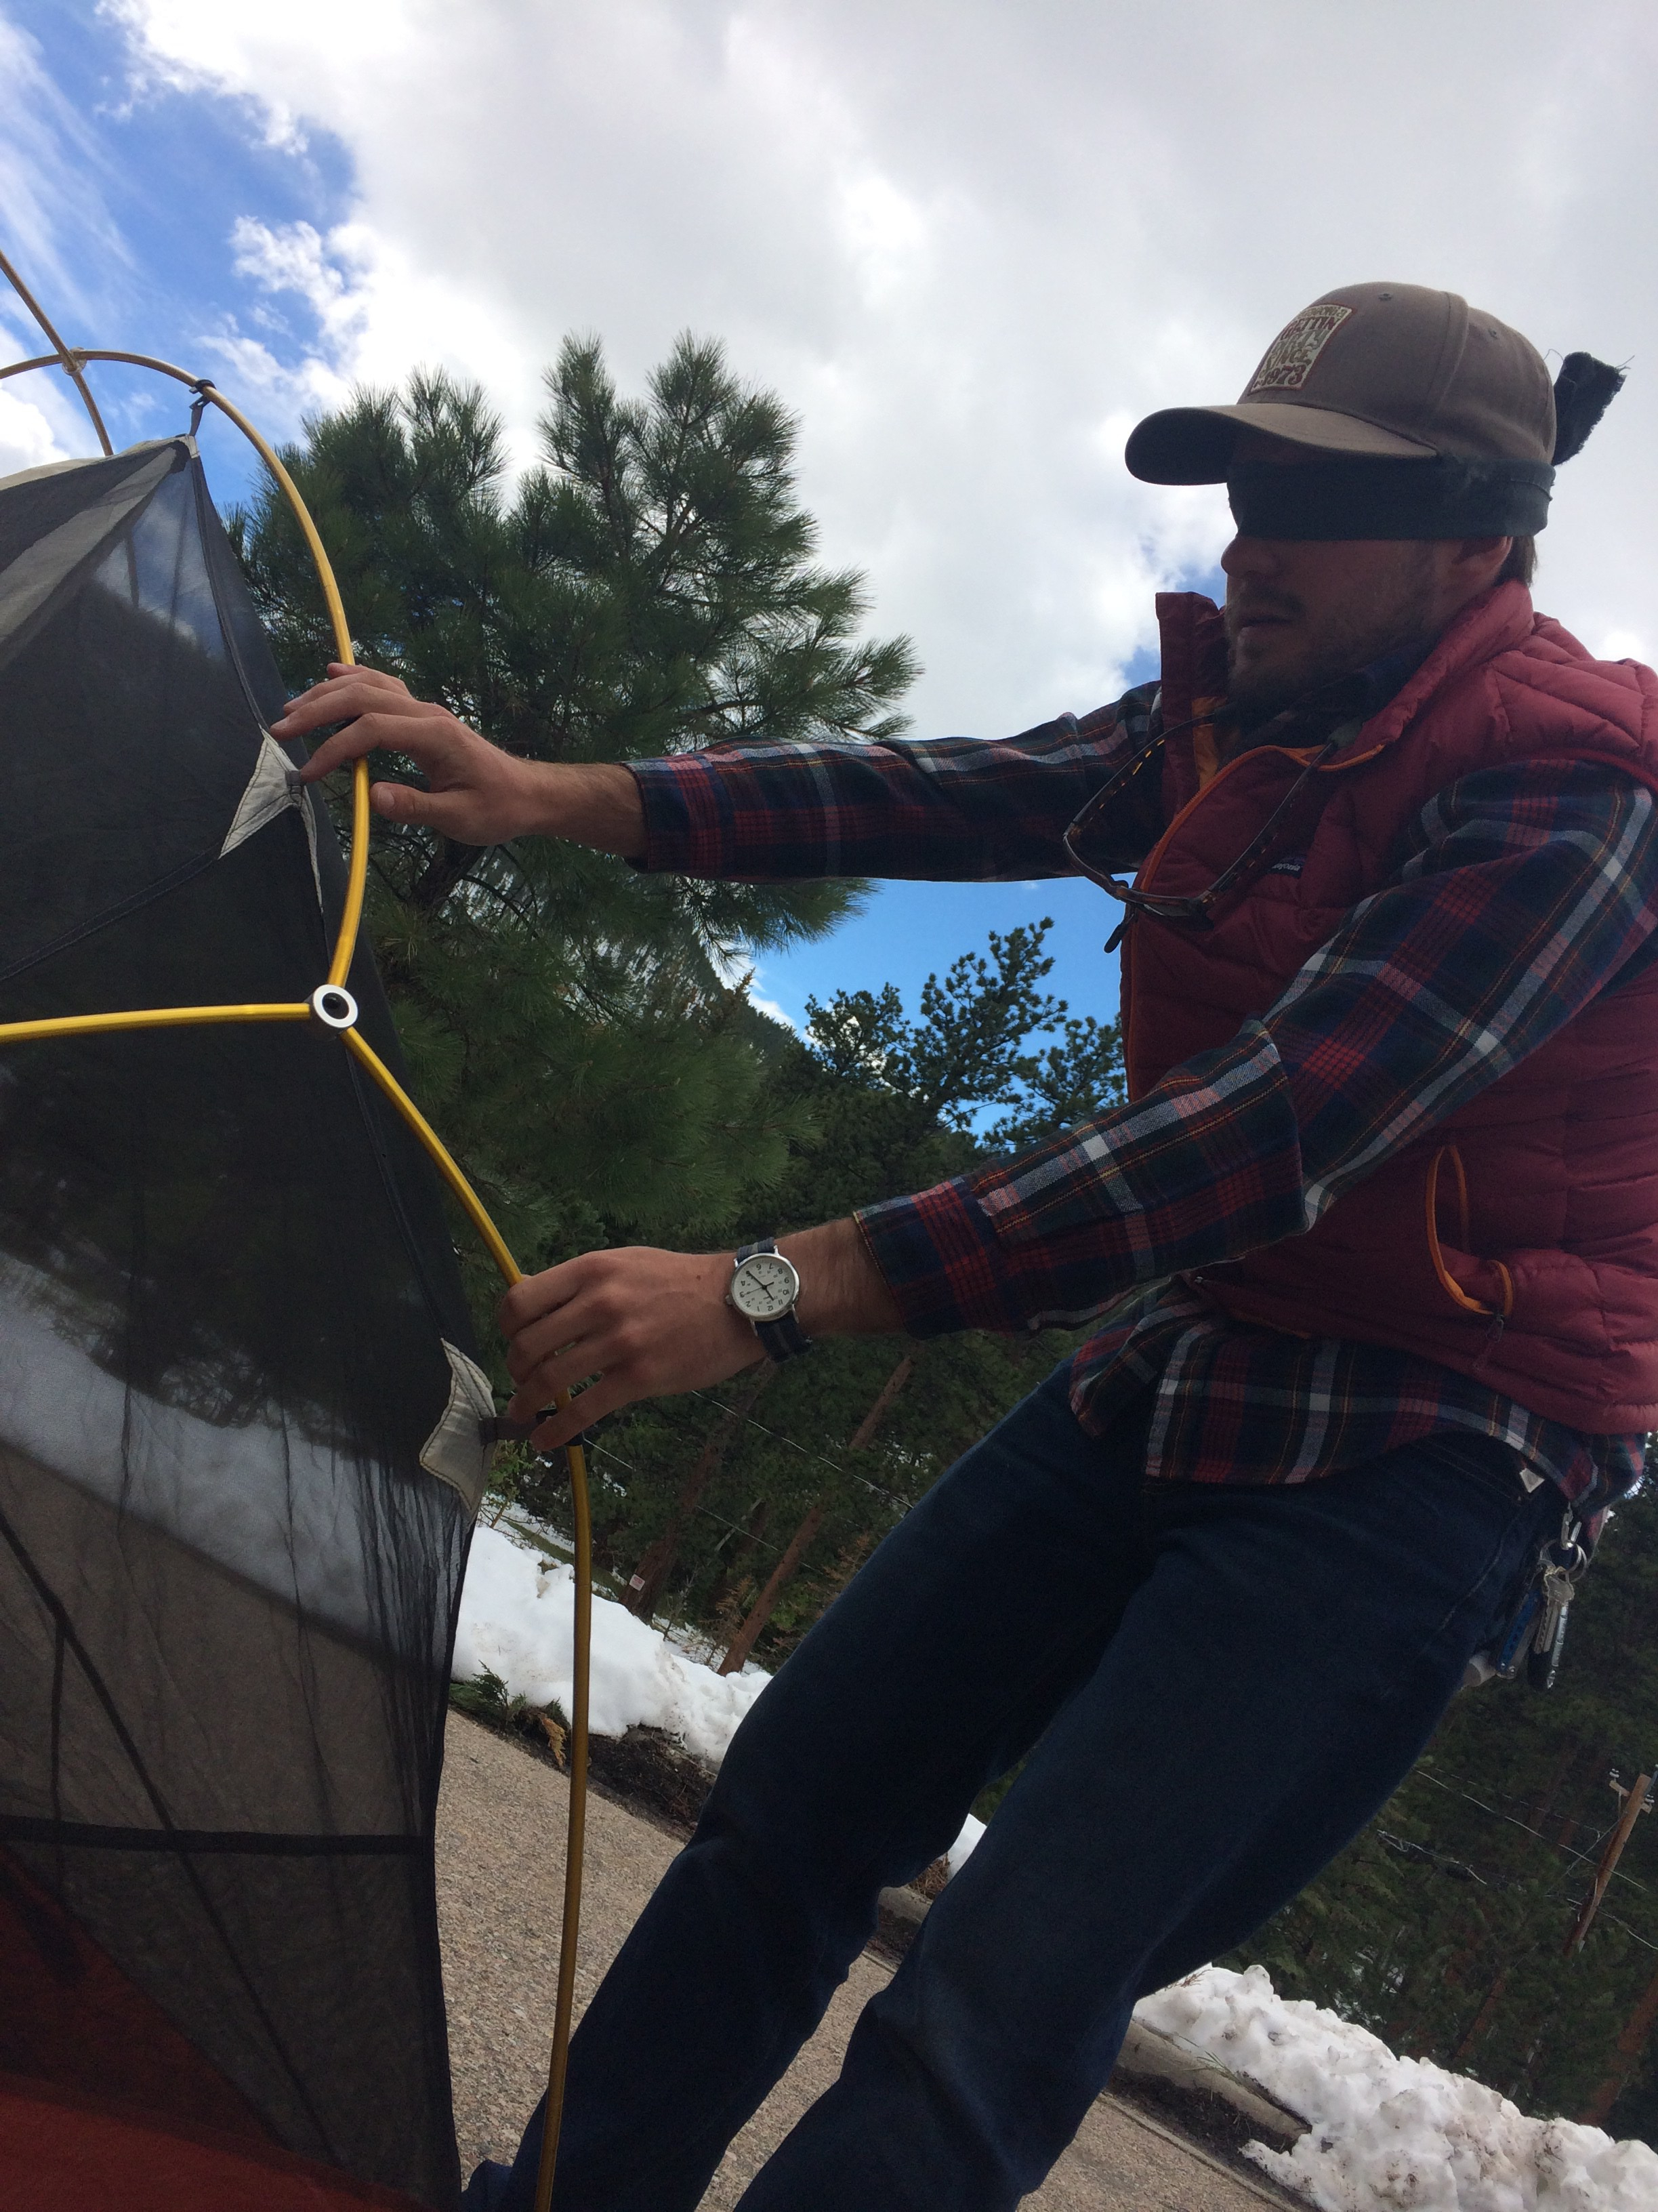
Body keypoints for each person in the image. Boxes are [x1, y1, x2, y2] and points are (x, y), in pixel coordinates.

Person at [277, 282, 1655, 2212]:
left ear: (1481, 535)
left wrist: (771, 1290)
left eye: (1311, 512)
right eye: (1241, 497)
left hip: (1431, 1450)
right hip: (1197, 1352)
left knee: (994, 2006)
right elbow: (918, 792)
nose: (1249, 553)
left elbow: (1279, 1130)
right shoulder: (1250, 710)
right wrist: (553, 793)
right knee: (788, 1823)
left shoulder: (1581, 788)